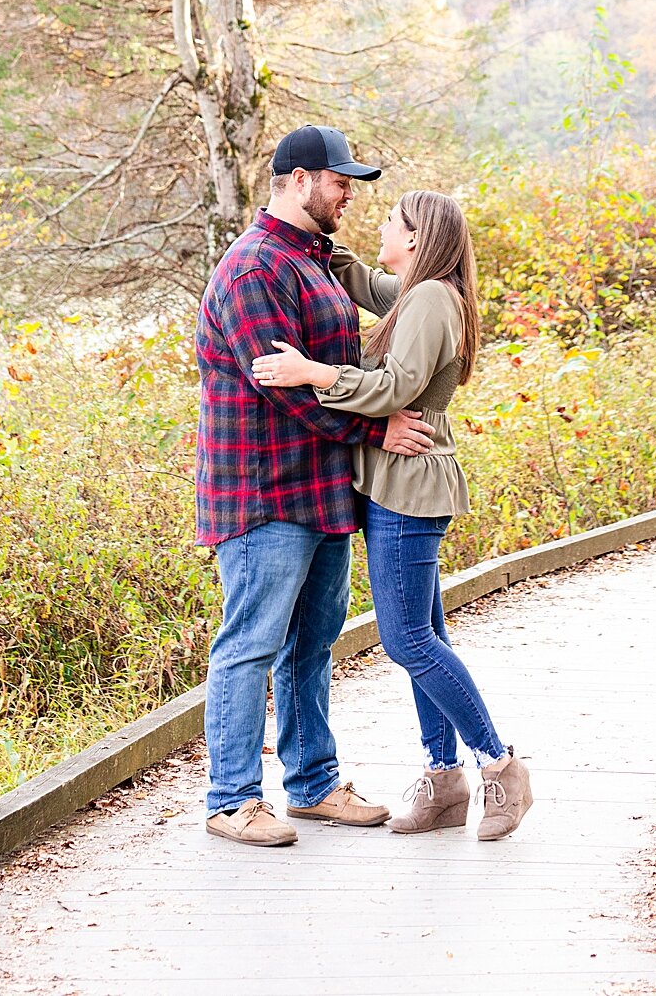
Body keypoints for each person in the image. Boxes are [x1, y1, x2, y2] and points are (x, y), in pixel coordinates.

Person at [252, 188, 533, 841]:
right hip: (398, 483)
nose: (378, 226)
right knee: (423, 635)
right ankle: (443, 781)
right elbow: (359, 277)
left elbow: (396, 389)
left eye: (389, 221)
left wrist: (310, 373)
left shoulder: (432, 298)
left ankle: (500, 764)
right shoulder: (414, 293)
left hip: (409, 486)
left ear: (414, 238)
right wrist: (306, 235)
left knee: (408, 640)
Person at [195, 124, 437, 848]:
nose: (349, 196)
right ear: (299, 181)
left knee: (314, 644)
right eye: (340, 182)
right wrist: (377, 430)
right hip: (264, 492)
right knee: (250, 645)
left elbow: (343, 359)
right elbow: (285, 390)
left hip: (323, 492)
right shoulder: (254, 270)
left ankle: (311, 785)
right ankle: (232, 799)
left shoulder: (315, 260)